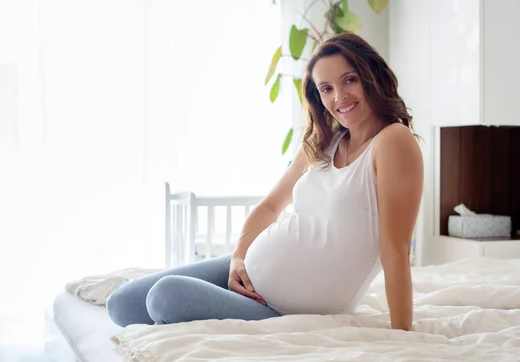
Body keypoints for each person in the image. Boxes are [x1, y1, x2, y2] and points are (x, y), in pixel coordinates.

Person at [106, 33, 424, 331]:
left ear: (372, 76)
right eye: (326, 88)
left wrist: (402, 337)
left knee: (164, 297)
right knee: (120, 305)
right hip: (246, 276)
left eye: (349, 80)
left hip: (285, 309)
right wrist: (238, 259)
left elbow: (395, 250)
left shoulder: (392, 141)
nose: (339, 97)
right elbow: (271, 206)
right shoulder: (324, 141)